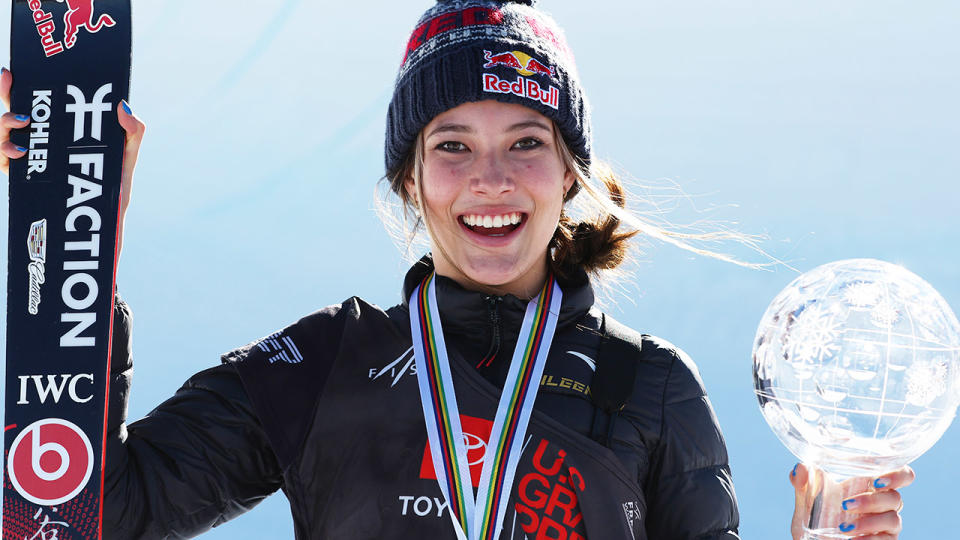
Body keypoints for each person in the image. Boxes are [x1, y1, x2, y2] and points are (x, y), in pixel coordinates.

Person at [0, 1, 914, 538]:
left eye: (526, 143)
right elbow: (82, 513)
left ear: (570, 176)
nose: (491, 178)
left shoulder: (650, 386)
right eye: (452, 145)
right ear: (409, 177)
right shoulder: (320, 364)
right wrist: (73, 238)